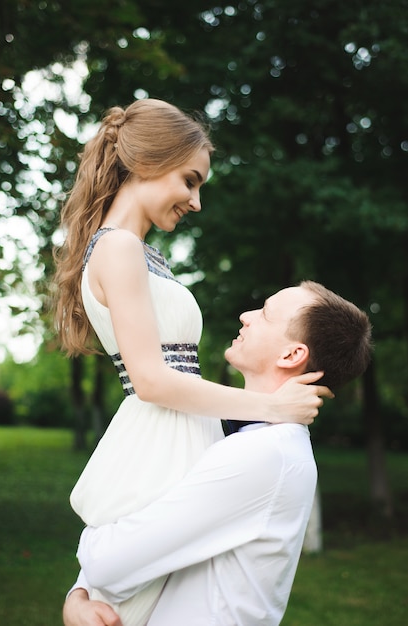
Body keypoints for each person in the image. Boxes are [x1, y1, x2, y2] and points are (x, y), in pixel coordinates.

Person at [53, 98, 332, 625]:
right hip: (160, 432)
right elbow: (152, 380)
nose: (196, 200)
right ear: (148, 163)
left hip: (178, 432)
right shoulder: (119, 249)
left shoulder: (134, 250)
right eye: (191, 180)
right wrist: (271, 407)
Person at [63, 280, 372, 626]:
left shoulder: (264, 454)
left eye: (266, 314)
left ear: (291, 355)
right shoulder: (249, 439)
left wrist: (83, 582)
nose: (246, 316)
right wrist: (79, 594)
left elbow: (110, 561)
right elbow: (144, 531)